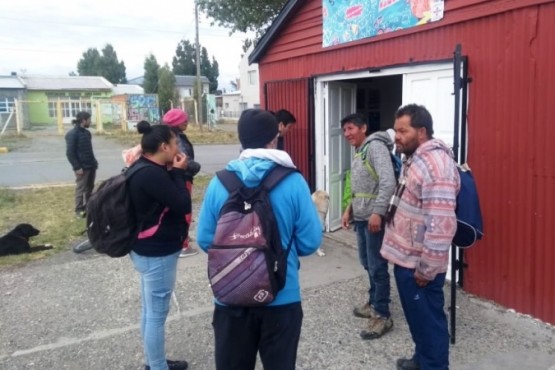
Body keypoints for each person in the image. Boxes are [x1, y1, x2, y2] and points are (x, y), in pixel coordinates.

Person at [197, 109, 322, 370]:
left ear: (241, 140)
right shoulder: (294, 181)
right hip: (281, 295)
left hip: (230, 296)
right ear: (273, 139)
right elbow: (310, 242)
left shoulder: (219, 182)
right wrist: (277, 251)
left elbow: (205, 239)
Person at [381, 104, 460, 370]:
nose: (397, 136)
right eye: (396, 130)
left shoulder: (436, 165)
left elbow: (441, 224)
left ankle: (433, 365)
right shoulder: (415, 158)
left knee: (429, 322)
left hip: (420, 267)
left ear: (422, 132)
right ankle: (421, 360)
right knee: (418, 319)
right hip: (407, 260)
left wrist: (427, 269)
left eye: (403, 131)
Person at [128, 120, 192, 370]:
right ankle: (157, 367)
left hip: (145, 248)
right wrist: (178, 172)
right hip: (157, 253)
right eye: (176, 142)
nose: (179, 146)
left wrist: (175, 171)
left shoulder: (142, 166)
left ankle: (154, 362)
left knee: (149, 309)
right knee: (156, 315)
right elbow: (183, 204)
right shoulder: (152, 175)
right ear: (164, 146)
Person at [340, 113, 396, 340]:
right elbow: (360, 186)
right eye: (344, 130)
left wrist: (378, 212)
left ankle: (382, 315)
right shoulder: (360, 151)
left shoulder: (375, 147)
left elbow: (388, 181)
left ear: (364, 128)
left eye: (350, 128)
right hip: (362, 218)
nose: (347, 134)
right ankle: (373, 302)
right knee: (366, 263)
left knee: (377, 266)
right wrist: (348, 210)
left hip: (374, 219)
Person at [162, 108, 201, 258]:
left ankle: (182, 236)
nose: (187, 122)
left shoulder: (169, 136)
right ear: (177, 123)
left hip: (176, 176)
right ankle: (183, 245)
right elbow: (183, 159)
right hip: (182, 177)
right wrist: (196, 167)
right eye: (184, 120)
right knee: (184, 210)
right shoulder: (176, 139)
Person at [65, 111, 97, 218]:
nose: (90, 121)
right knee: (81, 188)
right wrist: (77, 167)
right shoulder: (72, 134)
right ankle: (78, 210)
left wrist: (94, 162)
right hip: (82, 168)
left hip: (91, 165)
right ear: (83, 120)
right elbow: (70, 153)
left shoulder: (87, 133)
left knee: (90, 188)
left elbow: (89, 150)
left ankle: (88, 207)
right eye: (89, 119)